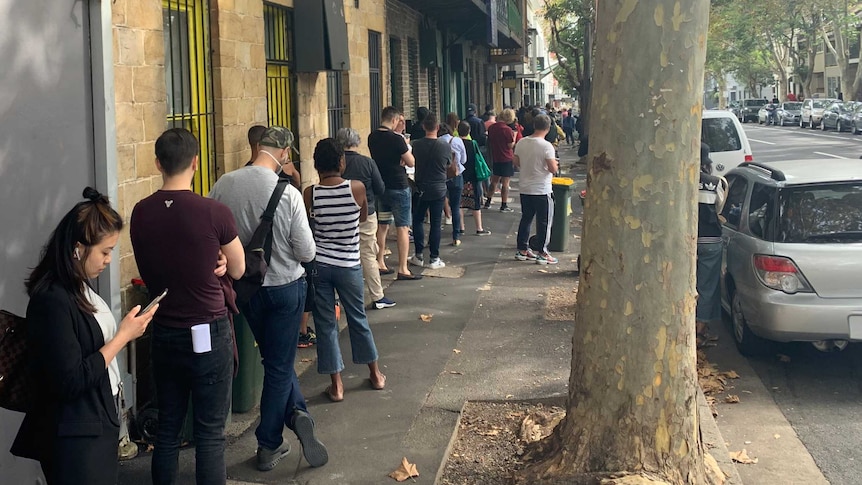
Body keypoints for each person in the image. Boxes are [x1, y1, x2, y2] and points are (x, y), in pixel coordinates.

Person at [11, 188, 156, 485]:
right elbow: (70, 379)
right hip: (74, 436)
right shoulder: (52, 298)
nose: (108, 260)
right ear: (77, 248)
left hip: (95, 425)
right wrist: (122, 337)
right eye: (105, 251)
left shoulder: (79, 287)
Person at [130, 128, 247, 484]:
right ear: (196, 163)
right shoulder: (214, 212)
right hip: (208, 328)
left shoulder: (140, 212)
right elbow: (239, 268)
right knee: (210, 434)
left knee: (167, 428)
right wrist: (222, 262)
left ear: (157, 163)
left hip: (164, 328)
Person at [208, 126, 328, 471]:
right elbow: (307, 251)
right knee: (278, 366)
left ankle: (297, 411)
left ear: (258, 147)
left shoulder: (223, 184)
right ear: (285, 153)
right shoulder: (287, 193)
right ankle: (269, 443)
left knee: (274, 361)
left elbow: (214, 233)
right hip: (286, 287)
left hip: (245, 289)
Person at [304, 138, 386, 402]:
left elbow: (310, 225)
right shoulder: (357, 188)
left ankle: (337, 385)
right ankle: (374, 374)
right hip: (349, 264)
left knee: (327, 324)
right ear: (342, 162)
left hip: (321, 264)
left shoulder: (310, 193)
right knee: (357, 318)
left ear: (317, 165)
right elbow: (361, 218)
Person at [336, 127, 396, 309]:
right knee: (368, 253)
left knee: (341, 253)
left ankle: (338, 298)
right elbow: (380, 188)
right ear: (357, 142)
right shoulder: (367, 163)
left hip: (341, 213)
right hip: (366, 212)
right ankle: (377, 296)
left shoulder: (337, 163)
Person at [368, 106, 421, 281]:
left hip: (381, 186)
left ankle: (380, 262)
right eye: (399, 120)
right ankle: (403, 268)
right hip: (399, 185)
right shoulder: (397, 140)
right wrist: (404, 149)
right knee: (403, 227)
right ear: (394, 120)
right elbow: (411, 162)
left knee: (382, 225)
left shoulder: (372, 137)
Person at [513, 114, 559, 264]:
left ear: (534, 125)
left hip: (525, 187)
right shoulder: (547, 146)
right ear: (548, 128)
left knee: (526, 218)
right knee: (544, 221)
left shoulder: (521, 142)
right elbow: (552, 169)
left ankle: (522, 249)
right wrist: (555, 165)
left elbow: (517, 162)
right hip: (542, 189)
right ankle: (543, 252)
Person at [409, 112, 451, 269]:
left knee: (418, 220)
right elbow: (448, 164)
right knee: (435, 223)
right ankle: (434, 258)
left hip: (420, 187)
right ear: (438, 127)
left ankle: (418, 255)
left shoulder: (416, 145)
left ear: (423, 126)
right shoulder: (444, 146)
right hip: (439, 187)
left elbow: (411, 162)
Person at [696, 142, 723, 345]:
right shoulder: (715, 183)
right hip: (710, 241)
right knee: (706, 287)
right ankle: (700, 330)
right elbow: (721, 211)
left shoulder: (677, 180)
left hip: (684, 242)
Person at [457, 121, 491, 236]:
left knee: (459, 203)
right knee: (475, 203)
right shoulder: (473, 144)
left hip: (460, 176)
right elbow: (478, 158)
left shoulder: (455, 143)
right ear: (469, 131)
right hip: (473, 176)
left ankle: (461, 228)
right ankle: (479, 228)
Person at [485, 108, 518, 212]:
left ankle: (488, 201)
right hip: (506, 157)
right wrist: (515, 138)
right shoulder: (507, 130)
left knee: (494, 181)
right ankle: (504, 205)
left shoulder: (492, 128)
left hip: (496, 156)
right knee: (505, 183)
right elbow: (510, 146)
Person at [439, 123, 467, 245]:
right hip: (456, 175)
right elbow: (463, 160)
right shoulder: (457, 140)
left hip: (441, 176)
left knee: (438, 207)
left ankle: (434, 237)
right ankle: (456, 236)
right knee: (456, 206)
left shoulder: (437, 142)